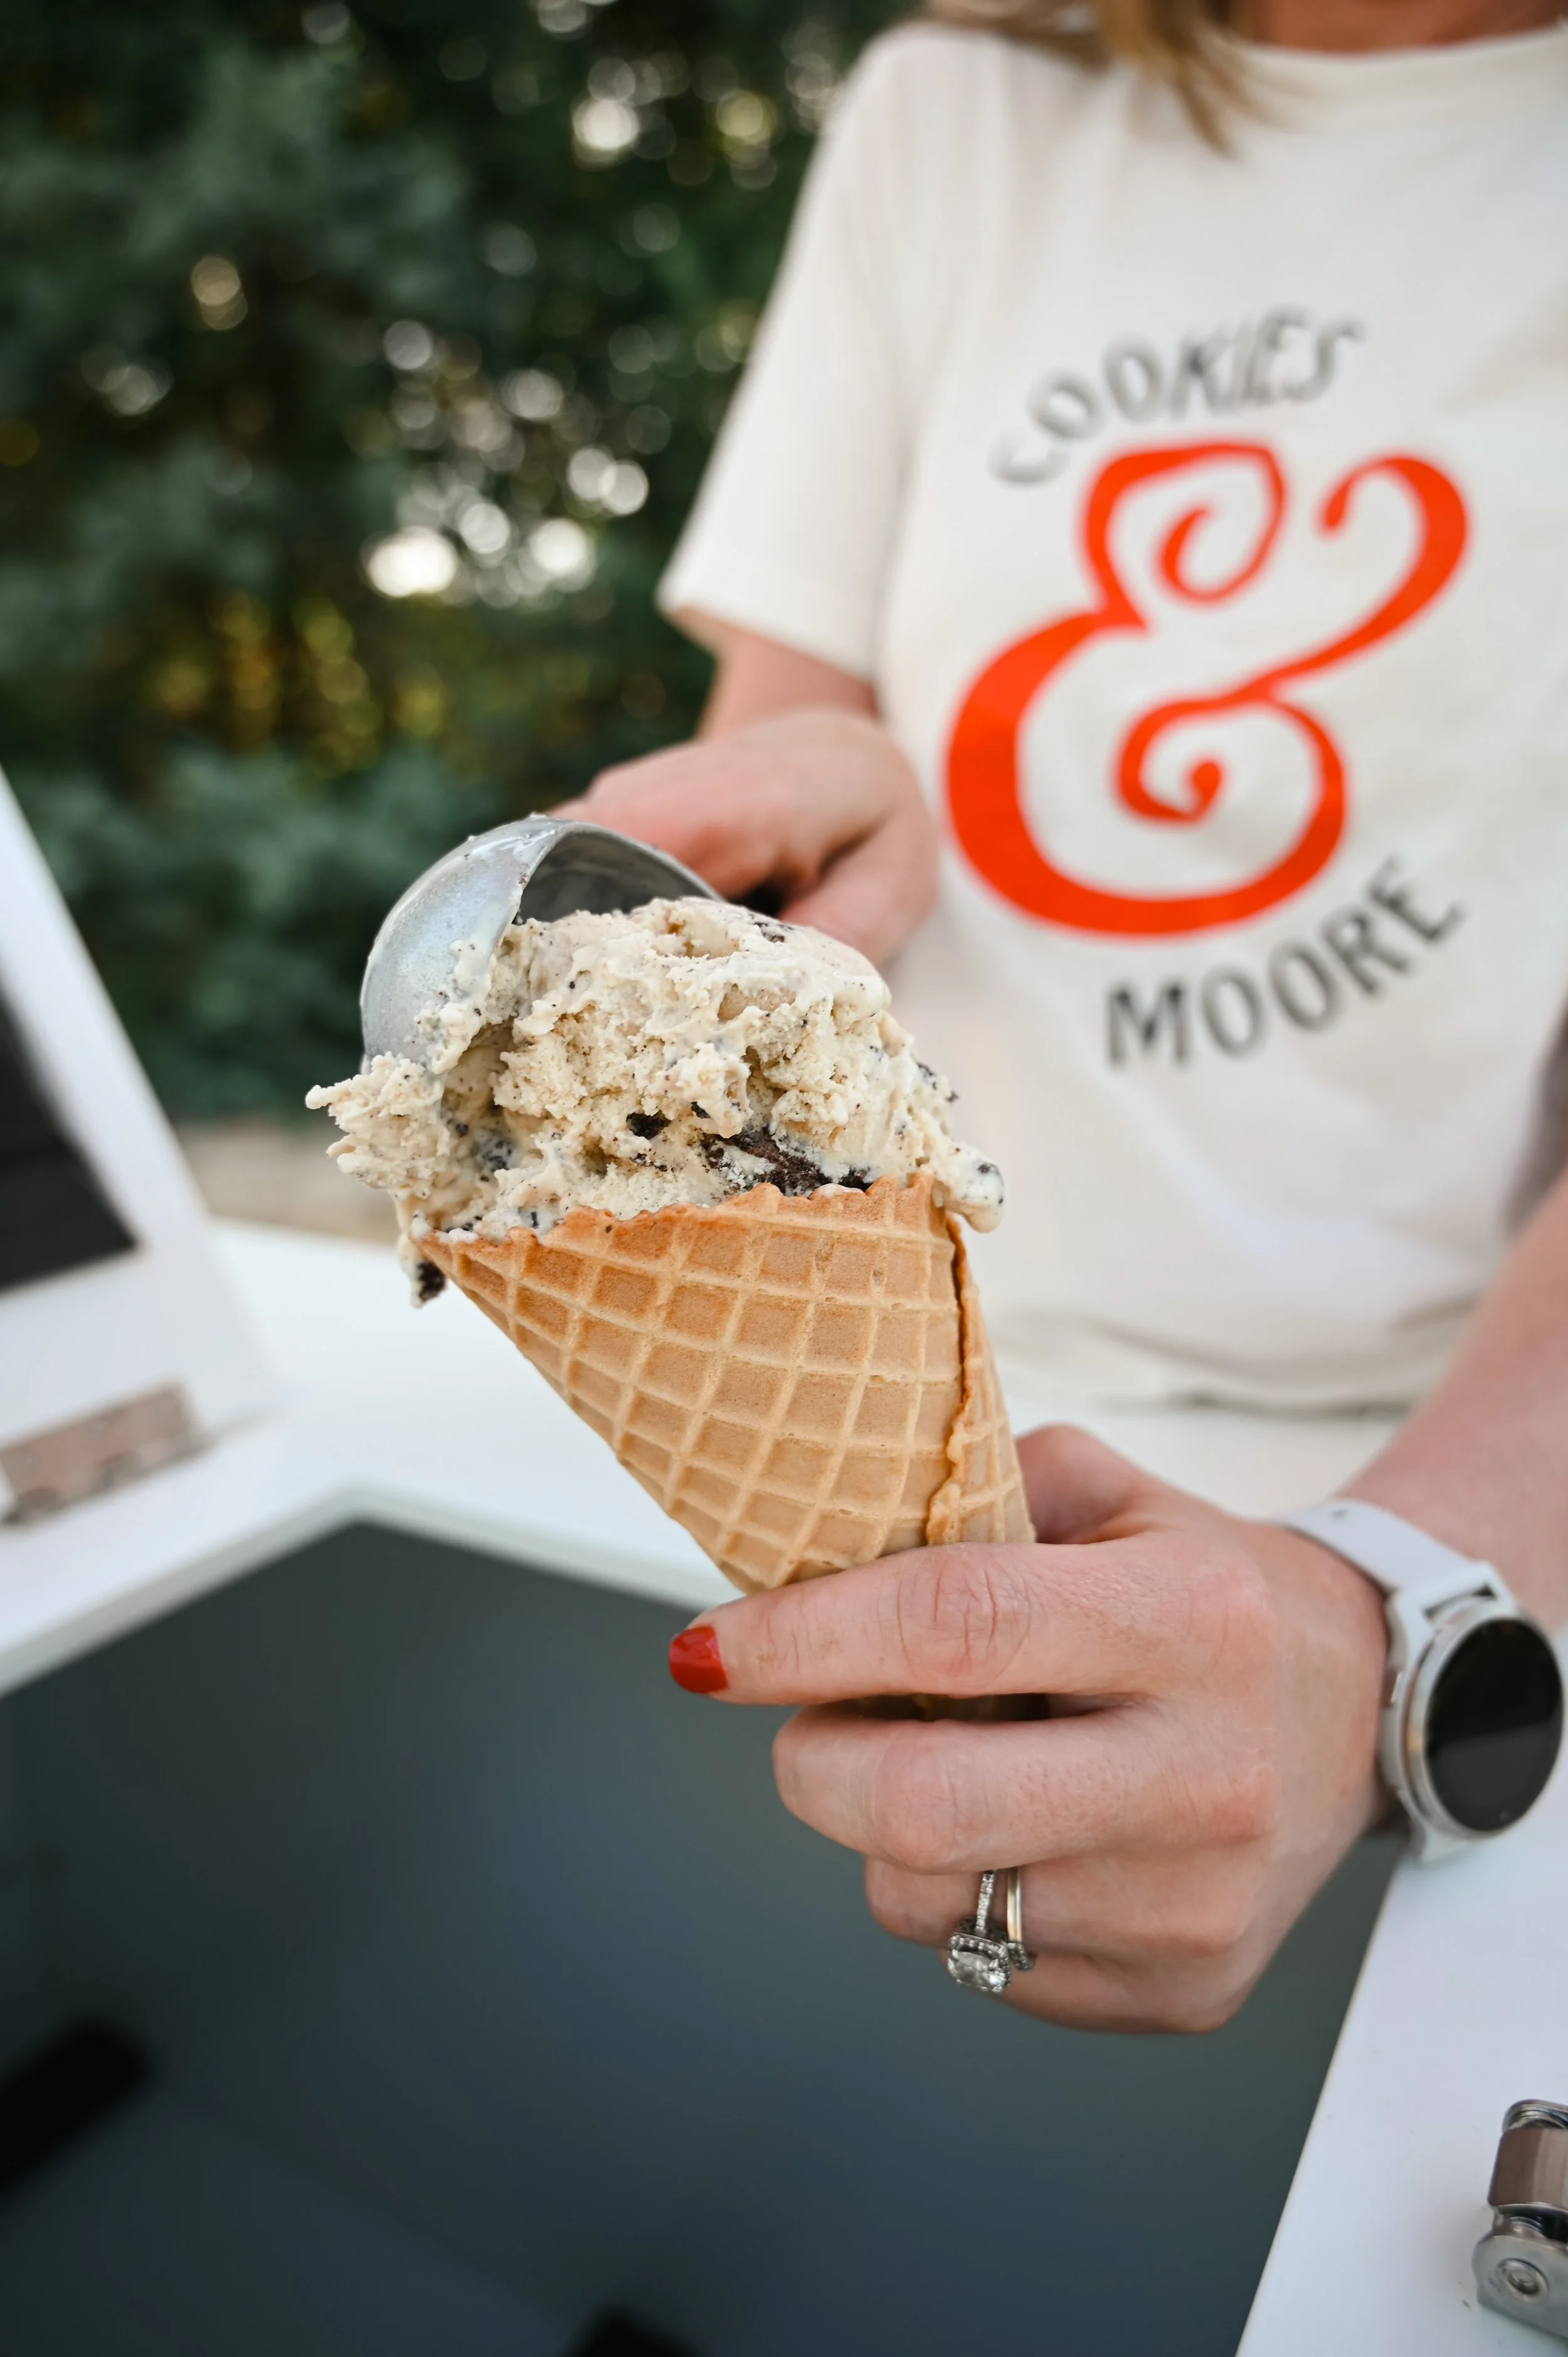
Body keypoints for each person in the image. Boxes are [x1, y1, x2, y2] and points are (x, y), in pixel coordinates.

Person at [561, 0, 1568, 2030]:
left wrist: (1391, 1606)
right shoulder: (959, 110)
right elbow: (790, 754)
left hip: (1451, 1479)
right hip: (925, 1441)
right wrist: (795, 872)